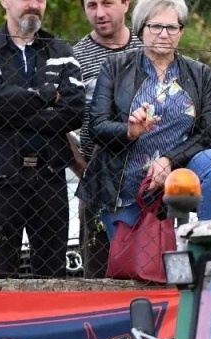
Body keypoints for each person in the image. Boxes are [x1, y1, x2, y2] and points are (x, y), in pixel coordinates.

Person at [80, 0, 211, 246]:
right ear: (141, 29)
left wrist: (169, 160)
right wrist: (129, 131)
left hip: (179, 175)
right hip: (124, 183)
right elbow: (96, 127)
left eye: (172, 27)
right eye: (155, 26)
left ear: (181, 31)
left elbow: (209, 132)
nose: (164, 34)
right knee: (136, 269)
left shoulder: (200, 74)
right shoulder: (115, 67)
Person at [0, 0, 84, 279]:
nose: (33, 5)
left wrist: (8, 115)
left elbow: (74, 112)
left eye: (40, 0)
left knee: (53, 278)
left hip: (50, 177)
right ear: (4, 2)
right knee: (1, 276)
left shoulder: (61, 51)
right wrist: (45, 96)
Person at [72, 0, 137, 276]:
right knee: (97, 276)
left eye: (108, 3)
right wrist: (82, 169)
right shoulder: (74, 57)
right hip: (97, 184)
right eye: (91, 5)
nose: (99, 13)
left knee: (144, 271)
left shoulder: (148, 47)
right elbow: (59, 122)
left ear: (125, 4)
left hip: (146, 182)